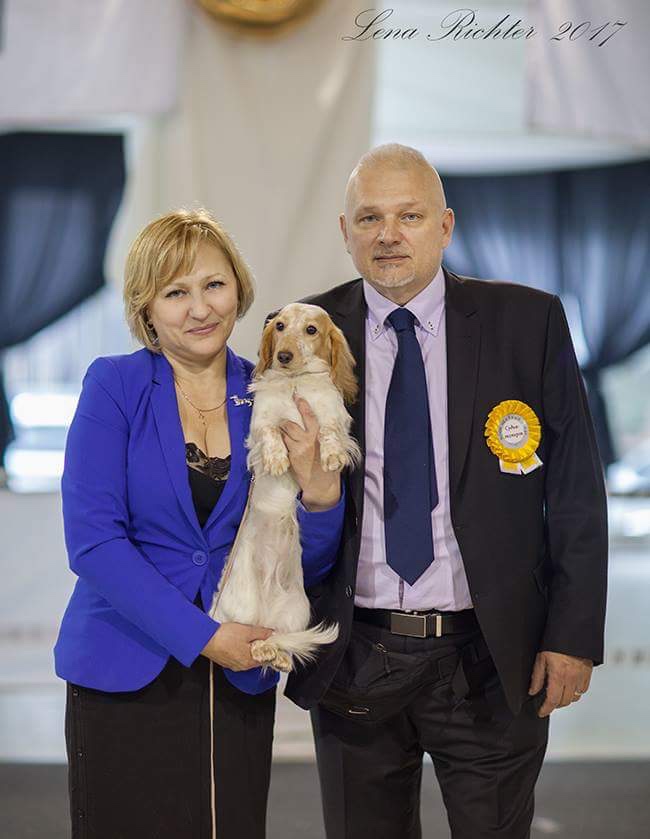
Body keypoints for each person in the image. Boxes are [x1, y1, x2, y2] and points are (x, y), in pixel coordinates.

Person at [284, 144, 608, 838]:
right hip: (356, 655)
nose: (388, 234)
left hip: (490, 657)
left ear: (445, 226)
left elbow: (576, 490)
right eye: (369, 217)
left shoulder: (528, 321)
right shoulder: (309, 329)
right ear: (345, 231)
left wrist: (573, 635)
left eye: (409, 215)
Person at [54, 208, 345, 839]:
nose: (200, 308)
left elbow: (303, 557)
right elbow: (94, 543)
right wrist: (203, 635)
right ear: (146, 308)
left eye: (214, 284)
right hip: (125, 667)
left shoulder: (271, 390)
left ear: (239, 287)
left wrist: (323, 498)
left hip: (239, 677)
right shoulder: (114, 385)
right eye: (175, 292)